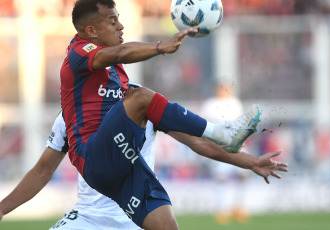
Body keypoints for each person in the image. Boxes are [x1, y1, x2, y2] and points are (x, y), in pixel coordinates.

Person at [59, 1, 278, 229]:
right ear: (91, 31)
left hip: (123, 165)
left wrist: (249, 162)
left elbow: (195, 141)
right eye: (113, 21)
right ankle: (222, 132)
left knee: (166, 225)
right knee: (141, 97)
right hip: (92, 157)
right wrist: (161, 46)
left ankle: (224, 135)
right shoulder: (77, 52)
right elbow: (121, 52)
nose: (121, 26)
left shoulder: (122, 82)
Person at [0, 106, 288, 229]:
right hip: (88, 217)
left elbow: (200, 144)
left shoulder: (142, 104)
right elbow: (42, 171)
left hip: (136, 221)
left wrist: (250, 162)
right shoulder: (70, 113)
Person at [200, 83, 250, 224]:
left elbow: (242, 125)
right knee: (222, 177)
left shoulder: (235, 103)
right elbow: (203, 123)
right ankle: (223, 209)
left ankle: (239, 206)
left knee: (243, 175)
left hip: (237, 143)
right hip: (218, 144)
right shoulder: (210, 105)